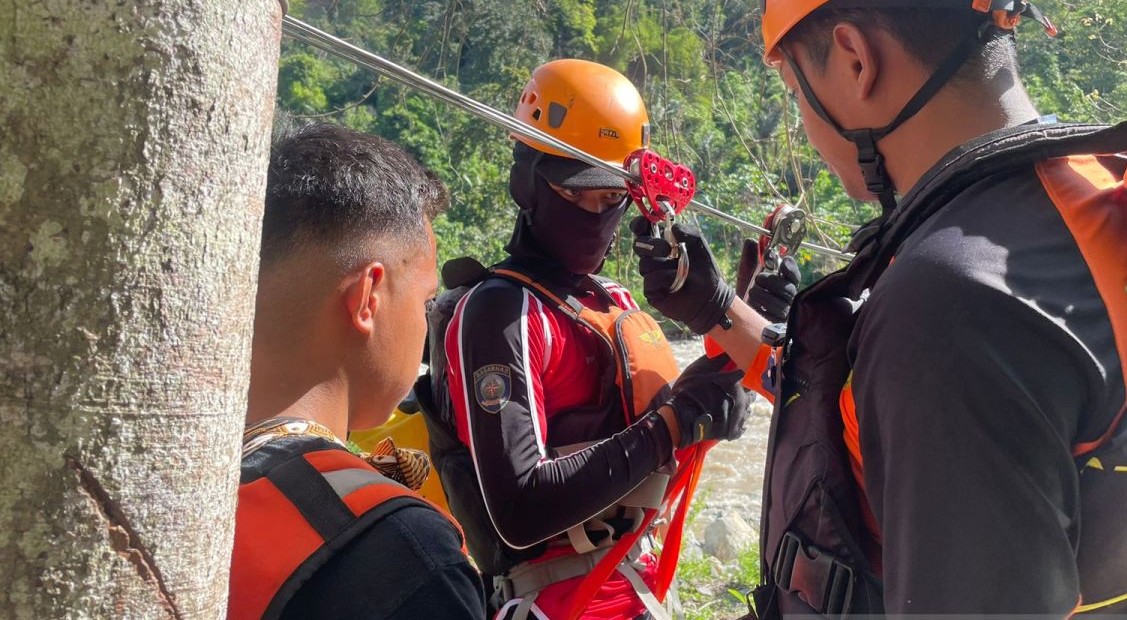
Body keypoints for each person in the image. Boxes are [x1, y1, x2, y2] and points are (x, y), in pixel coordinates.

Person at [632, 0, 1127, 618]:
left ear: (856, 61)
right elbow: (875, 416)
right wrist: (718, 312)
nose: (804, 123)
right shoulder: (1104, 192)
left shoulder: (949, 304)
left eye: (800, 92)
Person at [418, 59, 754, 620]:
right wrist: (674, 425)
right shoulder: (501, 310)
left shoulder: (615, 299)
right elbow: (520, 506)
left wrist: (742, 315)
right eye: (577, 195)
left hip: (638, 589)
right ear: (528, 178)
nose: (597, 214)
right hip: (557, 603)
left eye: (610, 199)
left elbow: (654, 423)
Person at [229, 122, 487, 620]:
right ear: (368, 297)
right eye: (427, 300)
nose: (426, 326)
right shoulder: (404, 554)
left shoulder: (164, 465)